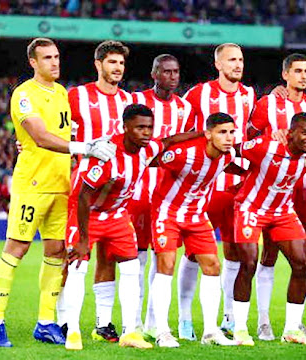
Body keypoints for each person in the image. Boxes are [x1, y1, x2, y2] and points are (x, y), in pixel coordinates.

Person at [0, 38, 115, 347]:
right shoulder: (24, 94)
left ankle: (45, 321)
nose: (55, 63)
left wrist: (79, 151)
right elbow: (41, 137)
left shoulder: (61, 94)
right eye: (47, 58)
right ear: (33, 62)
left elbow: (64, 135)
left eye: (57, 57)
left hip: (62, 185)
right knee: (16, 248)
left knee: (57, 252)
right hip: (32, 185)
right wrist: (85, 148)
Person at [64, 104, 200, 350]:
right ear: (125, 127)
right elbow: (84, 196)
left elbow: (169, 141)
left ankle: (130, 333)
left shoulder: (147, 150)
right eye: (140, 128)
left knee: (131, 268)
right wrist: (83, 239)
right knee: (78, 267)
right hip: (86, 214)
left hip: (116, 215)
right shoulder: (107, 154)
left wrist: (203, 133)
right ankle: (73, 331)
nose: (146, 133)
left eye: (149, 127)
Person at [57, 39, 133, 345]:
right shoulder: (77, 96)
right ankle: (62, 320)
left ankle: (103, 324)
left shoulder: (129, 100)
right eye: (112, 62)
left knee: (111, 260)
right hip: (84, 189)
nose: (117, 68)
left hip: (118, 193)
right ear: (98, 64)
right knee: (75, 259)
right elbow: (56, 130)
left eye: (122, 64)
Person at [182, 43, 256, 337]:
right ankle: (185, 319)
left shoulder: (249, 95)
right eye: (232, 60)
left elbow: (253, 132)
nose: (238, 65)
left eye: (240, 59)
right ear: (218, 64)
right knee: (192, 254)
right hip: (203, 187)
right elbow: (185, 132)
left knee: (235, 251)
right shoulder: (199, 94)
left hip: (237, 188)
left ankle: (228, 316)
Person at [149, 112, 241, 348]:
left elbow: (227, 167)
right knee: (166, 265)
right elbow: (151, 158)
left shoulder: (227, 155)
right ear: (208, 134)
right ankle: (162, 332)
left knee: (212, 265)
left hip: (196, 216)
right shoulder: (184, 153)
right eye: (222, 132)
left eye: (232, 132)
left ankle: (210, 332)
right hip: (167, 212)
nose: (229, 137)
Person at [246, 53, 306, 341]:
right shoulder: (267, 103)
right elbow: (250, 138)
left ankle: (297, 322)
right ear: (285, 74)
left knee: (304, 258)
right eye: (298, 71)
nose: (303, 76)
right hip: (273, 192)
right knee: (268, 255)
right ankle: (263, 320)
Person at [232, 112, 306, 346]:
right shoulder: (265, 146)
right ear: (290, 133)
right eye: (305, 132)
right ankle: (240, 329)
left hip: (282, 212)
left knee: (301, 264)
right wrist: (239, 174)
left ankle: (292, 329)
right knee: (249, 263)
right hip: (251, 208)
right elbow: (230, 149)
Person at [129, 54, 194, 339]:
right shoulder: (137, 101)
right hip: (139, 192)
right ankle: (133, 323)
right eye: (166, 71)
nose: (172, 76)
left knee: (162, 259)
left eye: (176, 72)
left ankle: (155, 322)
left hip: (169, 196)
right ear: (154, 73)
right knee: (137, 260)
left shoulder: (185, 108)